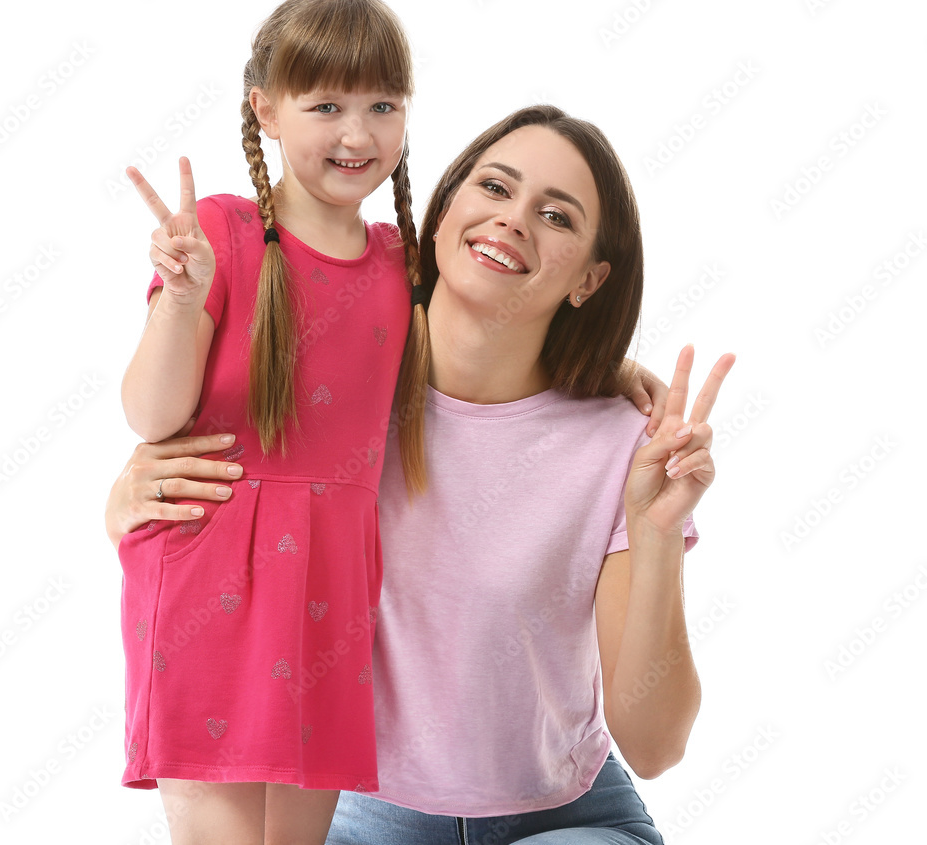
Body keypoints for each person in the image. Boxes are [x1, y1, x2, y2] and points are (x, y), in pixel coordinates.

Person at [108, 105, 735, 843]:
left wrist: (657, 536)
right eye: (495, 188)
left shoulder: (622, 446)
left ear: (591, 279)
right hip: (356, 809)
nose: (513, 220)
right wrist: (131, 502)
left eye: (557, 216)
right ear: (440, 219)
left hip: (566, 817)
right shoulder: (326, 389)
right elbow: (211, 525)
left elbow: (657, 746)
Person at [116, 0, 430, 844]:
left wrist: (619, 367)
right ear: (266, 109)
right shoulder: (220, 230)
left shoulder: (405, 267)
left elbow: (502, 338)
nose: (357, 134)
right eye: (325, 104)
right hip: (207, 563)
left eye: (382, 105)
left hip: (331, 583)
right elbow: (152, 413)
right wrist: (179, 302)